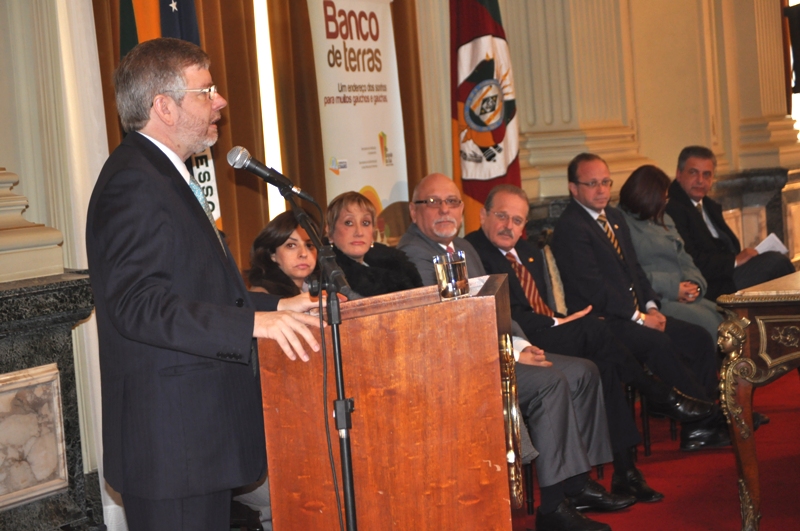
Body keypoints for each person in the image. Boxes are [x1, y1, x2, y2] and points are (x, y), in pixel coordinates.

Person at [85, 38, 320, 531]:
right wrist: (254, 324)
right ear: (164, 106)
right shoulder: (134, 181)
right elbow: (138, 304)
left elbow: (196, 292)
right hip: (174, 447)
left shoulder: (163, 174)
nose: (220, 102)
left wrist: (281, 303)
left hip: (197, 440)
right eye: (205, 91)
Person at [399, 173, 632, 531]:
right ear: (414, 212)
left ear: (462, 209)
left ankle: (576, 483)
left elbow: (497, 305)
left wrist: (523, 345)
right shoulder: (412, 256)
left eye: (452, 202)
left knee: (584, 372)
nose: (444, 209)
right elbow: (449, 325)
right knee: (551, 381)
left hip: (495, 350)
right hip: (459, 365)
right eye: (432, 202)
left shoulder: (463, 246)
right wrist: (510, 351)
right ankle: (553, 506)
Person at [465, 183, 715, 504]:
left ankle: (626, 473)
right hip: (518, 342)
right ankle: (657, 393)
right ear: (484, 215)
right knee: (593, 331)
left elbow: (544, 303)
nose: (509, 226)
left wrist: (559, 320)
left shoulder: (528, 251)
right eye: (501, 216)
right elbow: (504, 314)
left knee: (606, 364)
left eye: (517, 220)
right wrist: (559, 322)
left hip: (548, 329)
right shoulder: (474, 252)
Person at [551, 153, 730, 452]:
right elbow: (596, 291)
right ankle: (706, 419)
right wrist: (638, 318)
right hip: (602, 321)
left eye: (605, 182)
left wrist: (651, 308)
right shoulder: (571, 227)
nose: (601, 190)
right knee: (657, 344)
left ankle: (697, 427)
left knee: (697, 338)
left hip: (635, 313)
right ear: (573, 188)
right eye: (592, 183)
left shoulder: (615, 218)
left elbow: (634, 272)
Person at [665, 146, 795, 301]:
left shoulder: (707, 205)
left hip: (727, 274)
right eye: (693, 173)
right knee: (776, 263)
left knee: (776, 264)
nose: (700, 180)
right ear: (679, 174)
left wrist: (743, 258)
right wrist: (735, 260)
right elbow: (691, 259)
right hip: (710, 284)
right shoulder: (673, 209)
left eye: (707, 175)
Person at [617, 165, 725, 339]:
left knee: (730, 320)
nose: (665, 204)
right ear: (647, 198)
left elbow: (685, 258)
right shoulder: (621, 224)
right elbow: (631, 275)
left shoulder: (663, 218)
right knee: (712, 327)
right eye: (662, 199)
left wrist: (695, 284)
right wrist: (673, 288)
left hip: (683, 295)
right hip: (657, 300)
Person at [326, 191, 423, 295]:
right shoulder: (327, 279)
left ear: (373, 232)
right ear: (330, 232)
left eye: (365, 223)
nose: (359, 232)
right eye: (349, 223)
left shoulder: (396, 268)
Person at [248, 210, 319, 296]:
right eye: (291, 245)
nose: (303, 254)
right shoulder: (262, 294)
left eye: (309, 245)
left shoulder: (322, 289)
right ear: (272, 253)